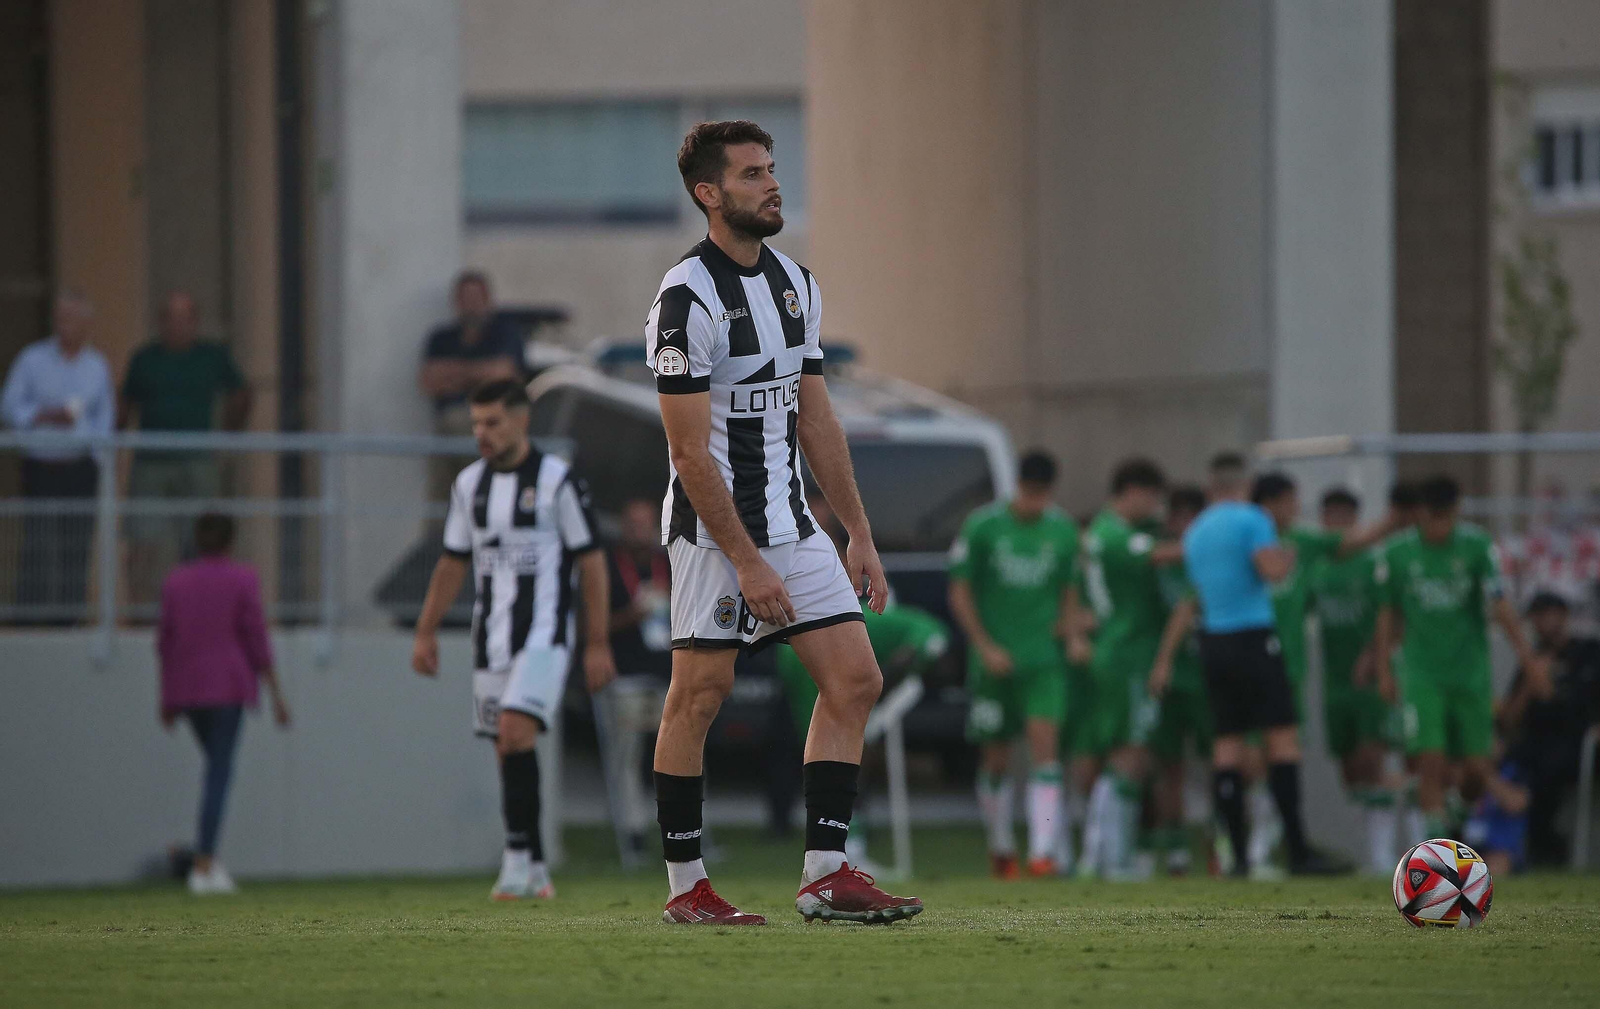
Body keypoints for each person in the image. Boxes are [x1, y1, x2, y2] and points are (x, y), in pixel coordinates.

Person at [644, 120, 920, 925]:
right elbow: (691, 456)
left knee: (857, 678)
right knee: (701, 694)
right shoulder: (684, 299)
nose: (772, 184)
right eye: (753, 173)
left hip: (794, 525)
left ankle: (826, 874)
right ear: (709, 193)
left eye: (772, 169)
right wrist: (748, 563)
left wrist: (857, 530)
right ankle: (686, 886)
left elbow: (818, 421)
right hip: (712, 531)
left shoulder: (795, 283)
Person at [410, 379, 615, 900]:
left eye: (493, 422)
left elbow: (592, 563)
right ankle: (535, 864)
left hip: (545, 633)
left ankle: (517, 859)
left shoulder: (556, 480)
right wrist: (427, 629)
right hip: (491, 637)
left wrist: (597, 641)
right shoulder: (468, 485)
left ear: (521, 421)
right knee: (507, 750)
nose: (482, 433)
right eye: (477, 423)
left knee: (515, 732)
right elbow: (453, 562)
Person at [1182, 472, 1350, 875]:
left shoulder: (1197, 530)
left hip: (1213, 640)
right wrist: (1288, 559)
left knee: (1227, 748)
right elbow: (1271, 570)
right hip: (1254, 638)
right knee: (1282, 743)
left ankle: (1236, 858)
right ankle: (1297, 852)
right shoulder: (1253, 520)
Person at [777, 493, 949, 871]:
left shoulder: (865, 608)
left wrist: (893, 678)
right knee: (829, 753)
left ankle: (838, 855)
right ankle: (835, 854)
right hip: (806, 663)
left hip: (833, 658)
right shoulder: (792, 568)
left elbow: (925, 634)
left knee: (849, 752)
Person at [1374, 474, 1543, 843]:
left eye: (1446, 517)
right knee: (1429, 758)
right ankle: (1437, 848)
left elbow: (1499, 604)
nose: (1440, 526)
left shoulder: (1478, 547)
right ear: (1420, 514)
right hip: (1421, 672)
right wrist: (1384, 668)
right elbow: (1388, 613)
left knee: (1474, 769)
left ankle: (1457, 815)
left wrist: (1528, 660)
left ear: (1456, 512)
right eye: (1433, 517)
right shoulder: (1397, 553)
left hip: (1470, 672)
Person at [948, 451, 1080, 879]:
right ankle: (1001, 847)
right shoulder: (984, 526)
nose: (1036, 503)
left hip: (1044, 662)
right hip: (994, 663)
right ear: (1018, 486)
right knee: (996, 760)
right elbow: (960, 591)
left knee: (1045, 754)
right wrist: (985, 646)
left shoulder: (1062, 531)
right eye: (1030, 493)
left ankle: (1043, 852)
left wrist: (1072, 631)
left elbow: (1069, 590)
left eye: (1043, 495)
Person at [157, 513, 290, 894]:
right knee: (219, 772)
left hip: (187, 691)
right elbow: (256, 638)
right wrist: (276, 694)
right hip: (228, 688)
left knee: (214, 769)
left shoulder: (176, 581)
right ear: (231, 542)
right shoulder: (241, 579)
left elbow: (165, 642)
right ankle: (203, 864)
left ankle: (205, 859)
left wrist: (166, 699)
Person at [1069, 458, 1175, 879]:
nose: (1155, 506)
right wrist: (1215, 540)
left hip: (1116, 651)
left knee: (1123, 751)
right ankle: (1109, 857)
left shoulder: (1106, 533)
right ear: (1132, 491)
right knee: (1128, 753)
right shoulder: (1113, 534)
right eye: (1151, 496)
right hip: (1127, 652)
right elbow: (1163, 555)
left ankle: (1103, 855)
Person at [120, 291, 252, 596]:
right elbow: (124, 405)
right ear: (161, 322)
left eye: (185, 318)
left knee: (203, 539)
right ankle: (142, 612)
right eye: (171, 318)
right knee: (145, 540)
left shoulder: (212, 356)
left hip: (198, 460)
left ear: (195, 322)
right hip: (151, 464)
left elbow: (241, 392)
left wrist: (231, 433)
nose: (177, 325)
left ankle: (202, 605)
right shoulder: (144, 358)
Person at [0, 290, 114, 621]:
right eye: (61, 318)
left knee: (75, 542)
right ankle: (29, 613)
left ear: (86, 323)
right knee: (38, 540)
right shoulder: (32, 359)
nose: (65, 325)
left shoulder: (97, 366)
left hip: (79, 466)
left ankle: (69, 614)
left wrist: (97, 457)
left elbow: (103, 418)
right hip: (41, 464)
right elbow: (9, 406)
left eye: (73, 318)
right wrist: (44, 416)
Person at [1308, 488, 1399, 874]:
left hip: (1369, 678)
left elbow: (1395, 615)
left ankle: (1383, 858)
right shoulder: (1317, 567)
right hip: (1334, 681)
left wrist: (1375, 658)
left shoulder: (1374, 564)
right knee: (1350, 772)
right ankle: (1375, 847)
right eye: (1332, 515)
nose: (1338, 523)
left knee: (1371, 758)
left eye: (1346, 516)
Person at [1498, 592, 1600, 865]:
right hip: (1535, 743)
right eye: (1538, 616)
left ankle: (1545, 847)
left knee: (1551, 767)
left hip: (1579, 740)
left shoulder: (1589, 653)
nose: (1544, 622)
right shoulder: (1531, 662)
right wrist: (1531, 684)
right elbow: (1508, 719)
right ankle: (1497, 848)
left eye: (1549, 614)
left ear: (1564, 615)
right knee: (1504, 763)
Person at [601, 498, 675, 862]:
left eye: (647, 523)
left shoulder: (669, 564)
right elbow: (594, 625)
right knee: (627, 757)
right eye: (633, 524)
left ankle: (683, 828)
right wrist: (634, 614)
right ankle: (632, 834)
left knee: (678, 753)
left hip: (666, 676)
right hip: (626, 676)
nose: (640, 531)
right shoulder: (609, 567)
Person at [1147, 485, 1211, 875]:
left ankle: (1225, 847)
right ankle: (1175, 849)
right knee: (1167, 766)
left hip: (1206, 675)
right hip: (1167, 682)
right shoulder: (1157, 561)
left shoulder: (1208, 562)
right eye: (1178, 515)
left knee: (1221, 762)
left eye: (1192, 515)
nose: (1184, 523)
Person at [418, 270, 526, 502]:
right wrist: (480, 374)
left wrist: (456, 375)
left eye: (476, 298)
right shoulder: (442, 338)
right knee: (443, 496)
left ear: (487, 300)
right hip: (448, 436)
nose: (471, 305)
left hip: (496, 429)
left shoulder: (503, 334)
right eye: (465, 299)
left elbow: (503, 375)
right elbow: (431, 381)